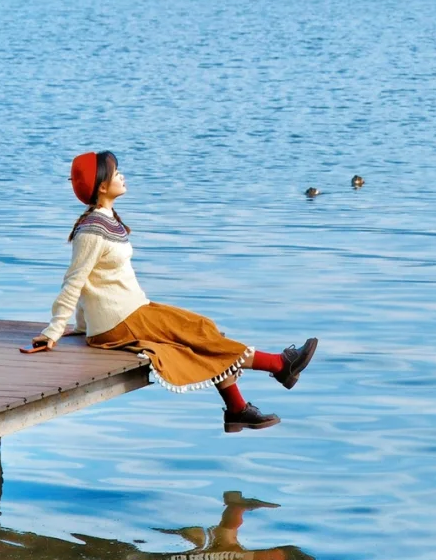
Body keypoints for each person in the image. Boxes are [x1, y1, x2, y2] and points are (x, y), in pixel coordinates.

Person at [25, 151, 317, 432]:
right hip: (121, 321)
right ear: (102, 186)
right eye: (116, 173)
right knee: (199, 335)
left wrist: (84, 325)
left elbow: (94, 283)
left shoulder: (107, 219)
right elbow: (75, 280)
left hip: (132, 312)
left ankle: (238, 409)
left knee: (202, 328)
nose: (122, 176)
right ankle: (278, 364)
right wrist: (54, 330)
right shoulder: (91, 230)